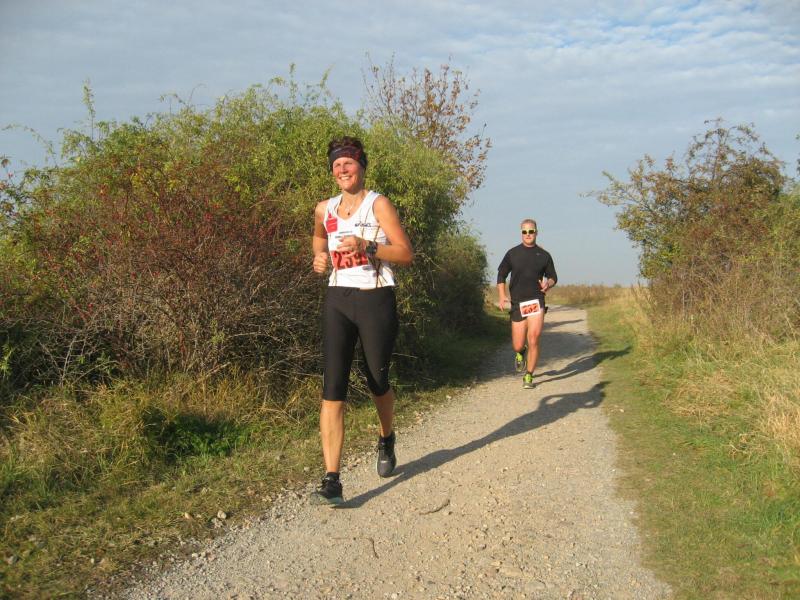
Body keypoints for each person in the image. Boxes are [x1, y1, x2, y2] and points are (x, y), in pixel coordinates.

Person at [309, 136, 414, 505]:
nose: (342, 169)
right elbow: (319, 240)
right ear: (332, 171)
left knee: (377, 380)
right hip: (338, 298)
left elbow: (405, 253)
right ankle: (332, 480)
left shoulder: (378, 204)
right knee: (332, 386)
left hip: (375, 298)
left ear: (361, 166)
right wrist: (319, 258)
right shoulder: (324, 209)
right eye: (336, 165)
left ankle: (386, 437)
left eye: (348, 163)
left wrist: (368, 246)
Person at [496, 218, 557, 389]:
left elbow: (553, 277)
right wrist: (502, 295)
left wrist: (548, 284)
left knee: (534, 338)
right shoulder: (512, 253)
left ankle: (529, 375)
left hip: (536, 301)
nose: (528, 234)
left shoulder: (544, 255)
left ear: (536, 232)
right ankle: (520, 352)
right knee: (517, 344)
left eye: (531, 231)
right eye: (525, 231)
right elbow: (501, 275)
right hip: (518, 303)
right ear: (521, 233)